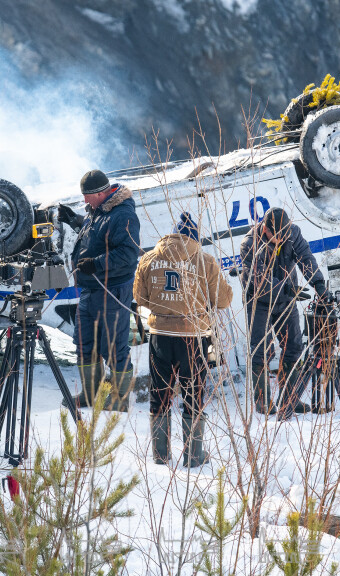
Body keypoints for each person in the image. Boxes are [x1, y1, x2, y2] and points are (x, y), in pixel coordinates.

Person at [135, 212, 232, 466]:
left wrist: (164, 307)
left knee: (160, 393)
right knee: (193, 393)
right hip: (193, 337)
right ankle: (193, 455)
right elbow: (223, 301)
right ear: (195, 238)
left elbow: (140, 298)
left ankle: (160, 455)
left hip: (160, 336)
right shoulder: (205, 261)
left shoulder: (149, 259)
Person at [239, 207, 328, 419]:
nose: (281, 239)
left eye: (284, 234)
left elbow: (305, 258)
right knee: (261, 350)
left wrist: (318, 283)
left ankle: (290, 398)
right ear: (265, 229)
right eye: (277, 235)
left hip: (286, 300)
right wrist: (287, 289)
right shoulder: (249, 244)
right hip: (259, 301)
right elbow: (259, 282)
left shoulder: (292, 233)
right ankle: (263, 402)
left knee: (294, 346)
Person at [70, 169, 141, 412]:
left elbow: (128, 253)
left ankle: (119, 399)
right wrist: (75, 221)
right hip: (90, 289)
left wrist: (96, 264)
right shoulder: (98, 210)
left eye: (87, 196)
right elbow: (99, 236)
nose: (84, 200)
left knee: (113, 346)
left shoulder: (123, 215)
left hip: (111, 289)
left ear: (101, 193)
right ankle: (91, 394)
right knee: (84, 343)